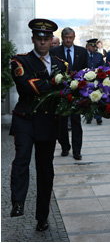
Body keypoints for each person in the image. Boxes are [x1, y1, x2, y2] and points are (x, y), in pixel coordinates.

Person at [9, 18, 68, 231]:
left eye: (46, 38)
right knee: (22, 158)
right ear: (33, 39)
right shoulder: (19, 61)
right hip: (25, 118)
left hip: (48, 121)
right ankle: (17, 201)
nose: (42, 42)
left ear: (52, 40)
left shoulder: (62, 64)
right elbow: (25, 86)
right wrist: (52, 82)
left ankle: (42, 216)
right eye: (39, 38)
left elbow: (65, 92)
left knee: (45, 169)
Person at [50, 27, 88, 160]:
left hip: (77, 91)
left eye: (70, 38)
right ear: (62, 38)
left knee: (76, 121)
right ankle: (65, 146)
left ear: (74, 37)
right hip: (61, 91)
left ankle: (77, 150)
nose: (68, 40)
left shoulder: (82, 52)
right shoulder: (54, 52)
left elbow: (86, 71)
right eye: (65, 38)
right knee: (62, 122)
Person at [85, 38, 104, 125]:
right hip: (86, 80)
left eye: (95, 46)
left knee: (97, 97)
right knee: (87, 98)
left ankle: (98, 117)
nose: (94, 48)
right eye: (92, 46)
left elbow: (103, 67)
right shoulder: (83, 55)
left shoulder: (99, 56)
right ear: (88, 46)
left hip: (96, 80)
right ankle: (88, 116)